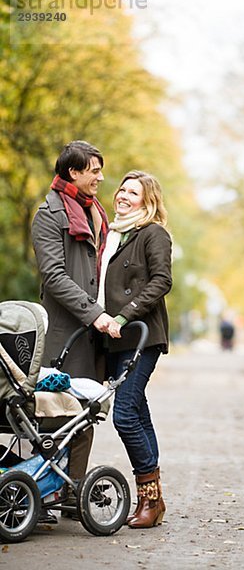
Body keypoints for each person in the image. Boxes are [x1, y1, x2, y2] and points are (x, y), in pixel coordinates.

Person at [31, 140, 121, 522]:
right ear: (73, 172)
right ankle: (43, 493)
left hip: (93, 332)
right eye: (94, 170)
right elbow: (54, 276)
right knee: (55, 415)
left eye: (101, 169)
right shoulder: (49, 215)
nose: (101, 177)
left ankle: (72, 491)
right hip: (65, 329)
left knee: (86, 413)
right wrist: (93, 313)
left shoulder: (94, 212)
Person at [97, 170, 172, 529]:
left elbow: (162, 280)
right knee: (138, 412)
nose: (123, 196)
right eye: (122, 189)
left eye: (133, 192)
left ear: (148, 200)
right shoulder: (114, 234)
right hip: (112, 339)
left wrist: (124, 316)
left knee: (124, 414)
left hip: (141, 334)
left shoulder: (153, 233)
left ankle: (149, 498)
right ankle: (154, 502)